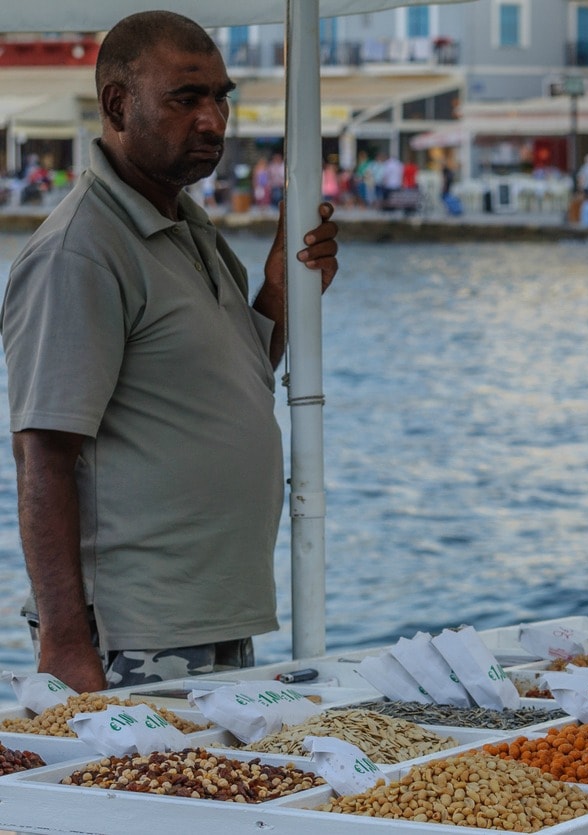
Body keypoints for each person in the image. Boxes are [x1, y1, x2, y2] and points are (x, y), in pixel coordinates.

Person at [0, 10, 340, 694]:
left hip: (206, 614)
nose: (213, 120)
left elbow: (231, 383)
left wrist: (279, 288)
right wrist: (67, 645)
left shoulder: (188, 227)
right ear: (117, 104)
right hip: (136, 632)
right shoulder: (82, 251)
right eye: (185, 99)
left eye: (220, 97)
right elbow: (43, 455)